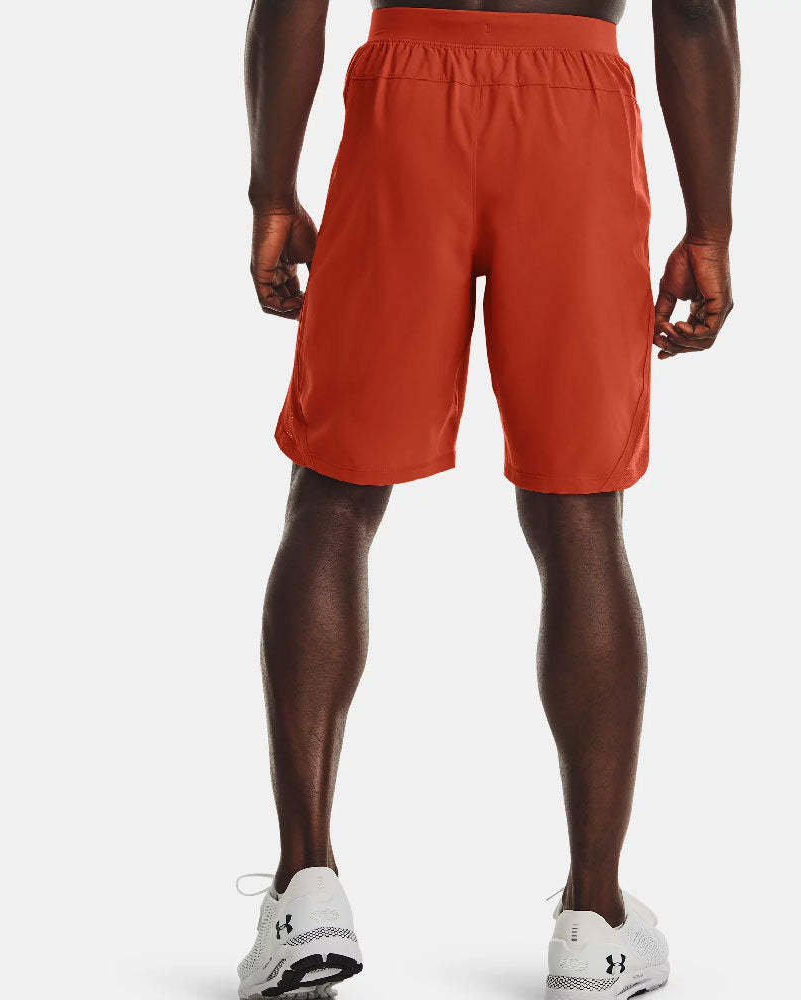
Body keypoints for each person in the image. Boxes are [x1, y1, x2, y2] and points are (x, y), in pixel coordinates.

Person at [238, 1, 738, 997]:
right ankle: (594, 920)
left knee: (334, 492)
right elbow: (692, 13)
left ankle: (305, 892)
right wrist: (710, 225)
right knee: (581, 509)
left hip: (404, 102)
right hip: (575, 113)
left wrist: (272, 187)